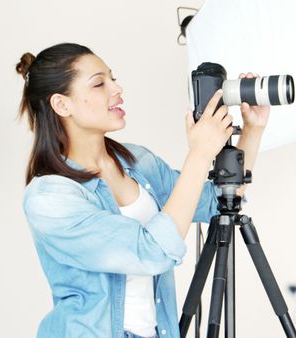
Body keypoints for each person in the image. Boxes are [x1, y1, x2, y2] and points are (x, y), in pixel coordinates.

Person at [17, 42, 269, 338]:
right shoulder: (49, 199)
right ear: (62, 104)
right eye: (99, 84)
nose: (117, 88)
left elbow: (217, 202)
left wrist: (252, 131)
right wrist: (199, 155)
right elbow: (151, 252)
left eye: (113, 77)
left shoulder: (136, 161)